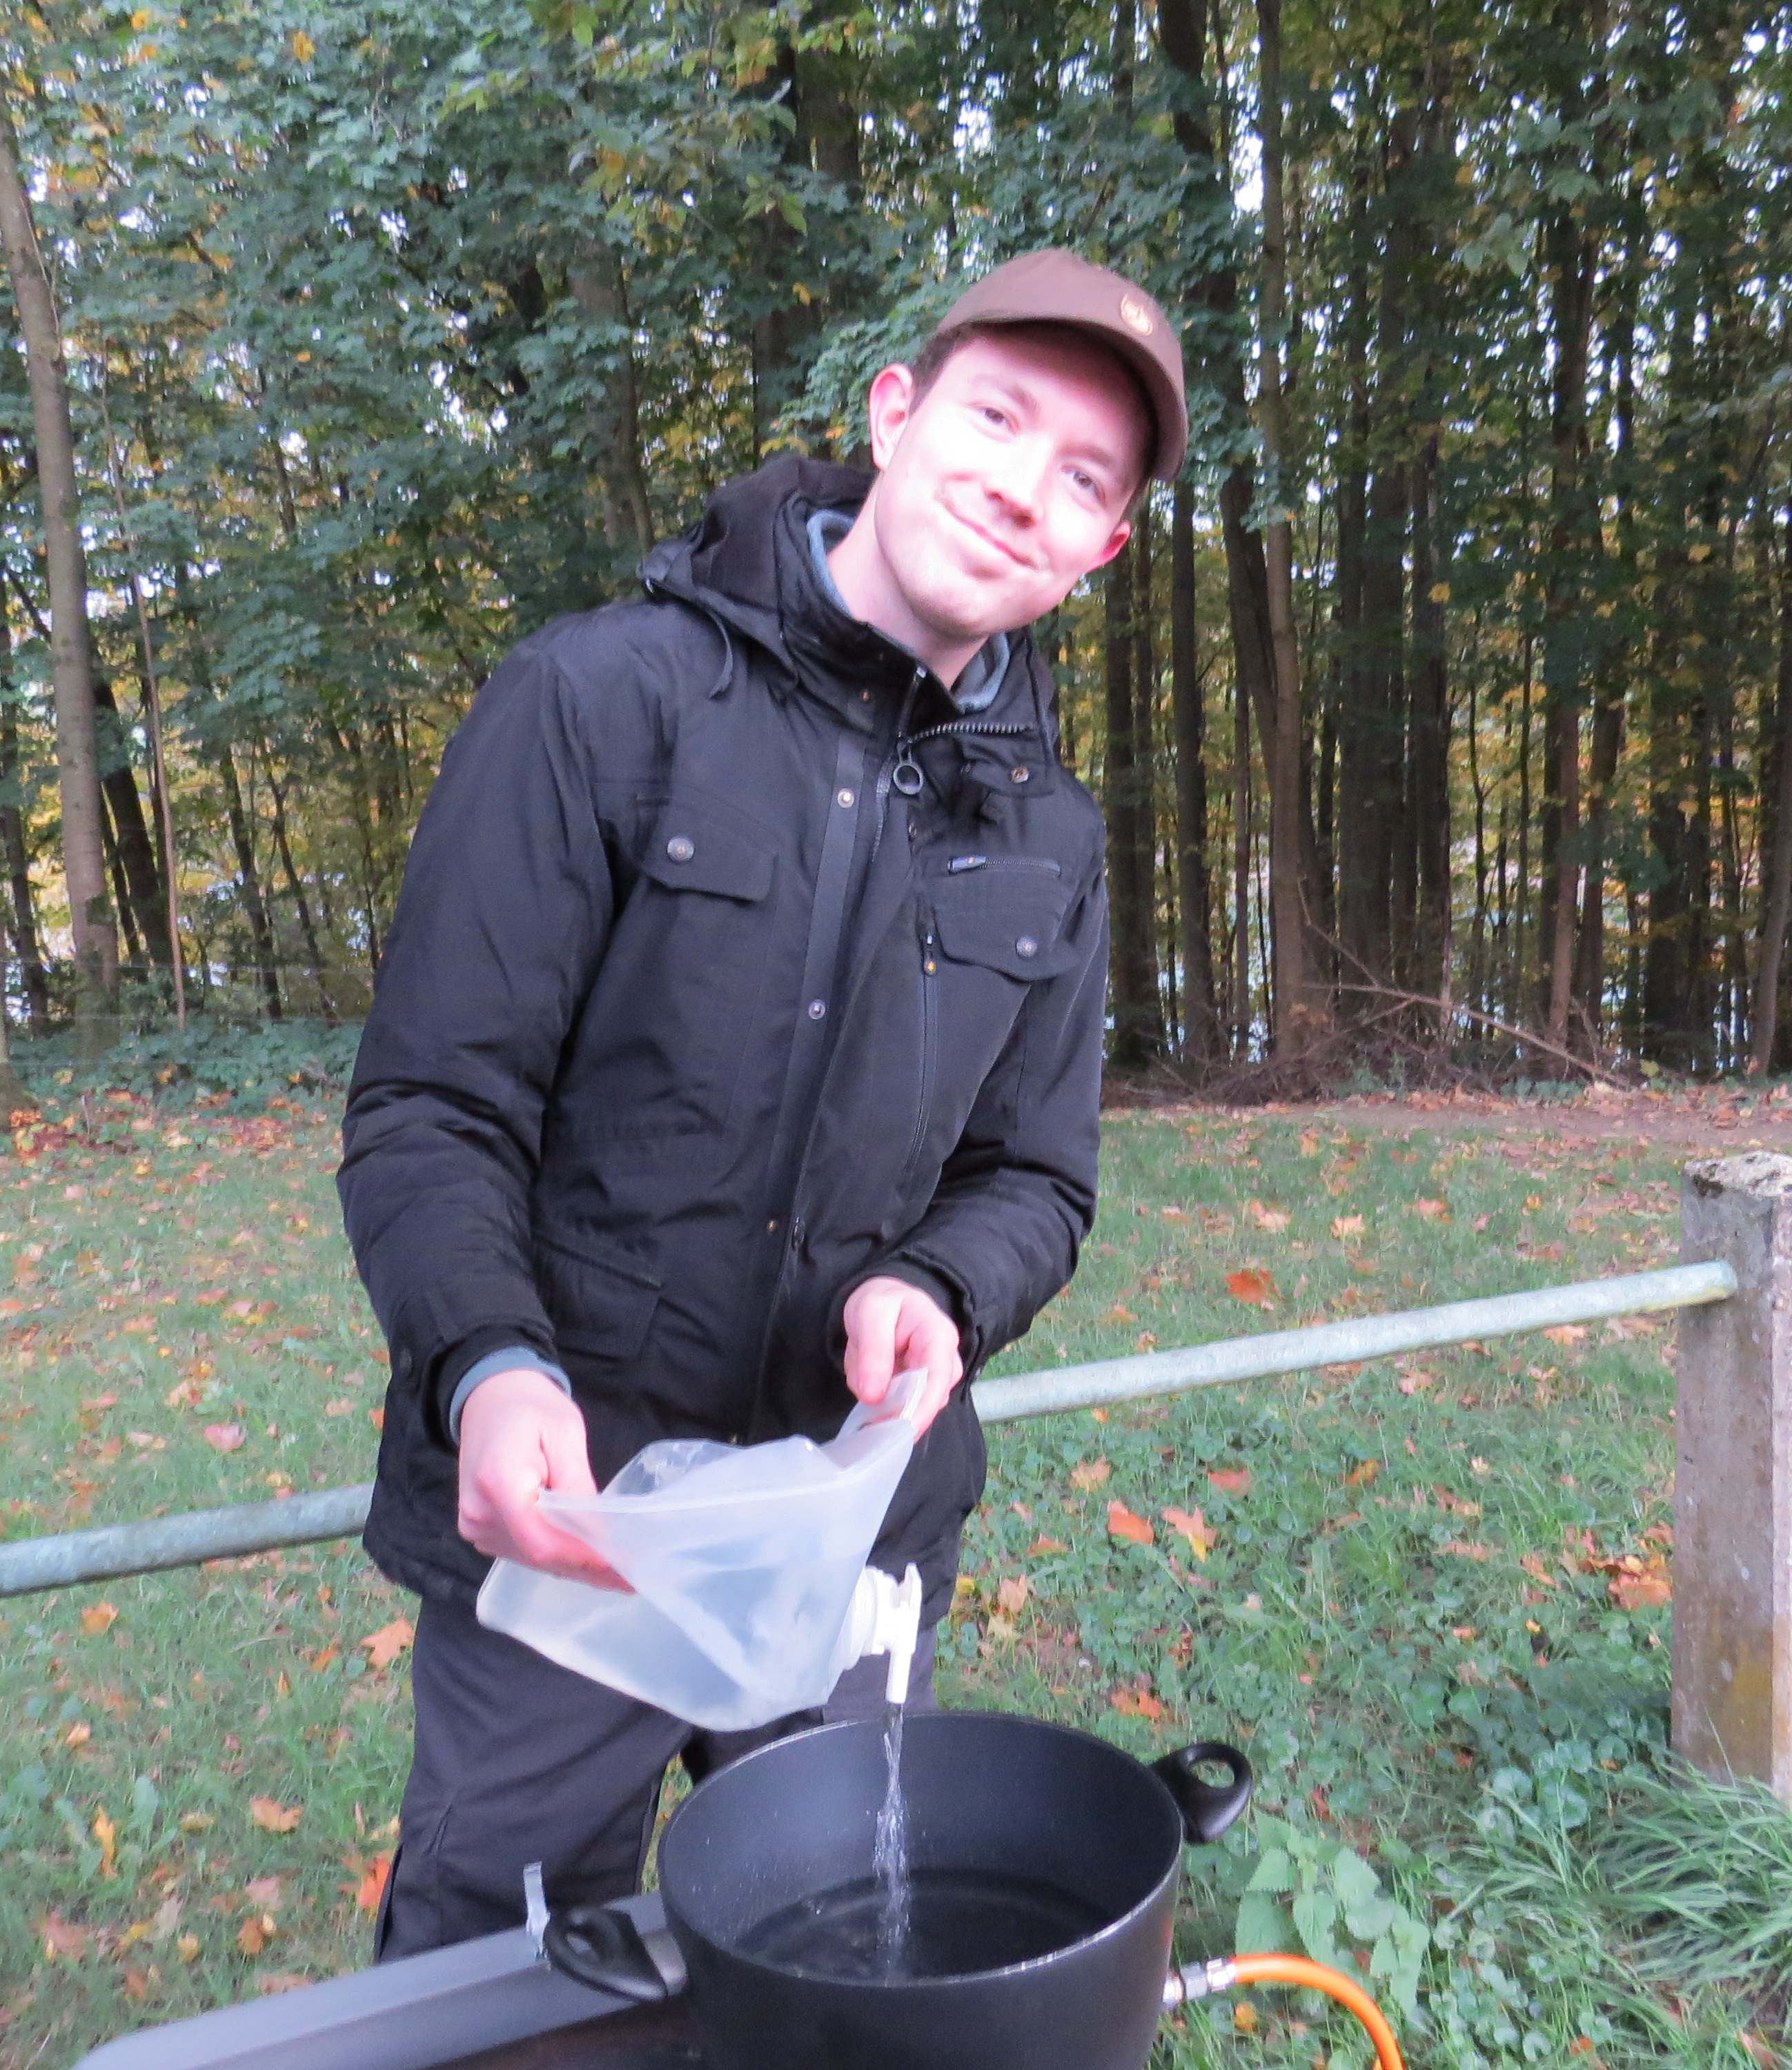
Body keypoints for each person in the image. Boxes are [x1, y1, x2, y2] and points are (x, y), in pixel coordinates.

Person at [337, 250, 1190, 1955]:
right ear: (893, 413)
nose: (1018, 486)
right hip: (577, 1522)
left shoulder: (1052, 836)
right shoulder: (599, 701)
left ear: (1097, 550)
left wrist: (939, 1287)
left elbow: (1036, 1177)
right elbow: (434, 1104)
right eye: (995, 419)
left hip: (849, 1528)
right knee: (503, 1979)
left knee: (836, 1953)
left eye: (1081, 477)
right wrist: (488, 1363)